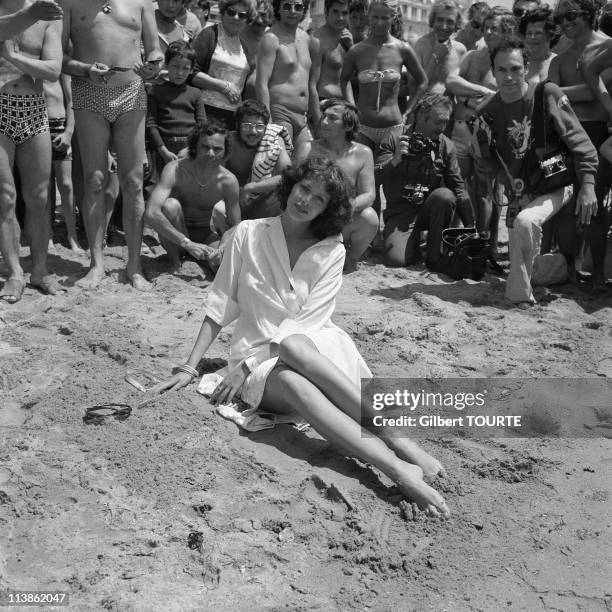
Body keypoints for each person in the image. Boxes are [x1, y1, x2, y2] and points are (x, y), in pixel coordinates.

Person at [151, 157, 450, 519]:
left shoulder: (332, 251)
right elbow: (220, 303)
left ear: (329, 208)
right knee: (290, 379)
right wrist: (190, 364)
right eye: (304, 188)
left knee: (294, 345)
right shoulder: (248, 233)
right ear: (290, 185)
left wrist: (245, 365)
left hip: (317, 352)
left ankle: (399, 441)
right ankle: (398, 468)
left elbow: (308, 325)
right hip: (266, 368)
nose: (306, 200)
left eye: (319, 198)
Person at [473, 39, 598, 307]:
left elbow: (583, 145)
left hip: (558, 184)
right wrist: (499, 174)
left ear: (527, 67)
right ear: (492, 72)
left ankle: (518, 300)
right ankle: (559, 267)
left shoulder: (546, 95)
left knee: (525, 222)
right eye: (501, 70)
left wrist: (587, 186)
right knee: (526, 254)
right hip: (522, 193)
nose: (508, 77)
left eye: (515, 69)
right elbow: (491, 162)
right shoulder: (486, 112)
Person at [61, 0, 164, 291]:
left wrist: (154, 64)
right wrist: (84, 69)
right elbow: (59, 58)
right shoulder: (70, 3)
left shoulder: (141, 2)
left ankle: (134, 264)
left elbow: (154, 48)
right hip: (87, 91)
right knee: (94, 179)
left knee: (132, 181)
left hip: (132, 91)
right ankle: (96, 264)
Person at [0, 0, 63, 304]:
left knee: (39, 197)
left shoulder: (47, 11)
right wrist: (28, 15)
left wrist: (12, 55)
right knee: (5, 196)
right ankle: (14, 272)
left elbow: (53, 70)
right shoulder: (35, 11)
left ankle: (39, 269)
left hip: (34, 108)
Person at [548, 0, 611, 290]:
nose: (562, 23)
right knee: (565, 206)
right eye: (558, 18)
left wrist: (558, 92)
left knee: (594, 206)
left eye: (569, 16)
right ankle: (571, 270)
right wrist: (555, 93)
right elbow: (549, 99)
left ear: (590, 13)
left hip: (598, 135)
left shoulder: (607, 47)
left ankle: (598, 274)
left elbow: (594, 92)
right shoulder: (560, 57)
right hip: (564, 136)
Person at [377, 93, 474, 269]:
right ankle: (410, 242)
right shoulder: (395, 138)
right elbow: (374, 179)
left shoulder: (446, 145)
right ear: (421, 116)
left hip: (431, 209)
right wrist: (395, 160)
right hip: (400, 211)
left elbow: (458, 187)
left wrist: (470, 226)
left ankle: (434, 256)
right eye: (439, 122)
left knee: (445, 196)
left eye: (446, 122)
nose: (443, 128)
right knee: (396, 261)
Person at [145, 120, 240, 272]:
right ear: (195, 146)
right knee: (170, 205)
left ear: (225, 151)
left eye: (217, 149)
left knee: (222, 267)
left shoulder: (228, 181)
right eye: (205, 147)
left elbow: (236, 224)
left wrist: (221, 248)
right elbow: (151, 213)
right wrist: (187, 243)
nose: (210, 153)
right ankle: (175, 263)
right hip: (177, 236)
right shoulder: (175, 170)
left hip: (206, 236)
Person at [296, 98, 377, 272]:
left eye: (332, 118)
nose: (324, 121)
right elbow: (293, 186)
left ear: (348, 126)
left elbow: (369, 195)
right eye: (324, 116)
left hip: (338, 216)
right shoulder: (307, 148)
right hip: (308, 217)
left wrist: (342, 207)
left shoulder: (363, 153)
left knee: (369, 217)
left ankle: (350, 258)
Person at [256, 0, 322, 151]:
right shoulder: (271, 38)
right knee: (282, 168)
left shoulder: (306, 39)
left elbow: (311, 85)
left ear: (303, 10)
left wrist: (317, 120)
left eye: (298, 7)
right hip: (279, 112)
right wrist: (268, 124)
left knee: (301, 169)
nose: (292, 11)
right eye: (287, 6)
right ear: (278, 8)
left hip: (303, 117)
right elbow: (261, 84)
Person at [217, 99, 291, 230]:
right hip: (233, 200)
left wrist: (251, 187)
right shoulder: (228, 141)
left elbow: (287, 176)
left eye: (259, 126)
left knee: (284, 195)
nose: (253, 132)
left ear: (266, 127)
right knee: (218, 209)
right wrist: (237, 191)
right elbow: (215, 175)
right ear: (238, 125)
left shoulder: (274, 140)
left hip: (262, 201)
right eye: (247, 125)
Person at [146, 41, 207, 178]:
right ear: (166, 65)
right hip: (161, 149)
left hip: (189, 149)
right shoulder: (154, 91)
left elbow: (202, 125)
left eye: (185, 68)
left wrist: (190, 148)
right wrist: (163, 150)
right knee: (158, 190)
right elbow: (151, 124)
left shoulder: (196, 93)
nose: (180, 73)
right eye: (175, 66)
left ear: (192, 69)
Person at [191, 0, 254, 129]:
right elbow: (191, 72)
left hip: (233, 117)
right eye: (231, 12)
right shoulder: (208, 35)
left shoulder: (245, 47)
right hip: (204, 111)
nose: (236, 17)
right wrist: (223, 86)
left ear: (247, 20)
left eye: (242, 15)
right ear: (223, 13)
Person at [43, 73, 82, 252]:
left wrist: (68, 131)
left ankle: (71, 235)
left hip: (59, 128)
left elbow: (71, 100)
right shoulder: (30, 62)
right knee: (45, 186)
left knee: (66, 185)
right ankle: (47, 233)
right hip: (37, 128)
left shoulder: (58, 66)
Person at [412, 0, 466, 95]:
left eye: (450, 22)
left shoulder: (460, 50)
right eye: (440, 20)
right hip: (422, 106)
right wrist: (436, 57)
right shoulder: (419, 45)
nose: (444, 26)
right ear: (433, 20)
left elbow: (461, 87)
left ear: (456, 24)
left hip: (449, 107)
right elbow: (414, 88)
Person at [314, 0, 353, 101]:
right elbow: (311, 85)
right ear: (327, 12)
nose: (340, 18)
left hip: (344, 105)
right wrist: (317, 115)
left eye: (344, 13)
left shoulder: (347, 39)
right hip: (324, 102)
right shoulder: (318, 39)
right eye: (335, 12)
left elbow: (349, 79)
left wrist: (351, 48)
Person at [240, 0, 272, 99]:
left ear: (271, 17)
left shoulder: (273, 38)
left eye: (263, 15)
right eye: (255, 14)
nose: (258, 20)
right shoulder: (239, 34)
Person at [518, 7, 556, 85]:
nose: (532, 37)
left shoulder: (559, 62)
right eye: (529, 33)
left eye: (538, 33)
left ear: (551, 35)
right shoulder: (519, 63)